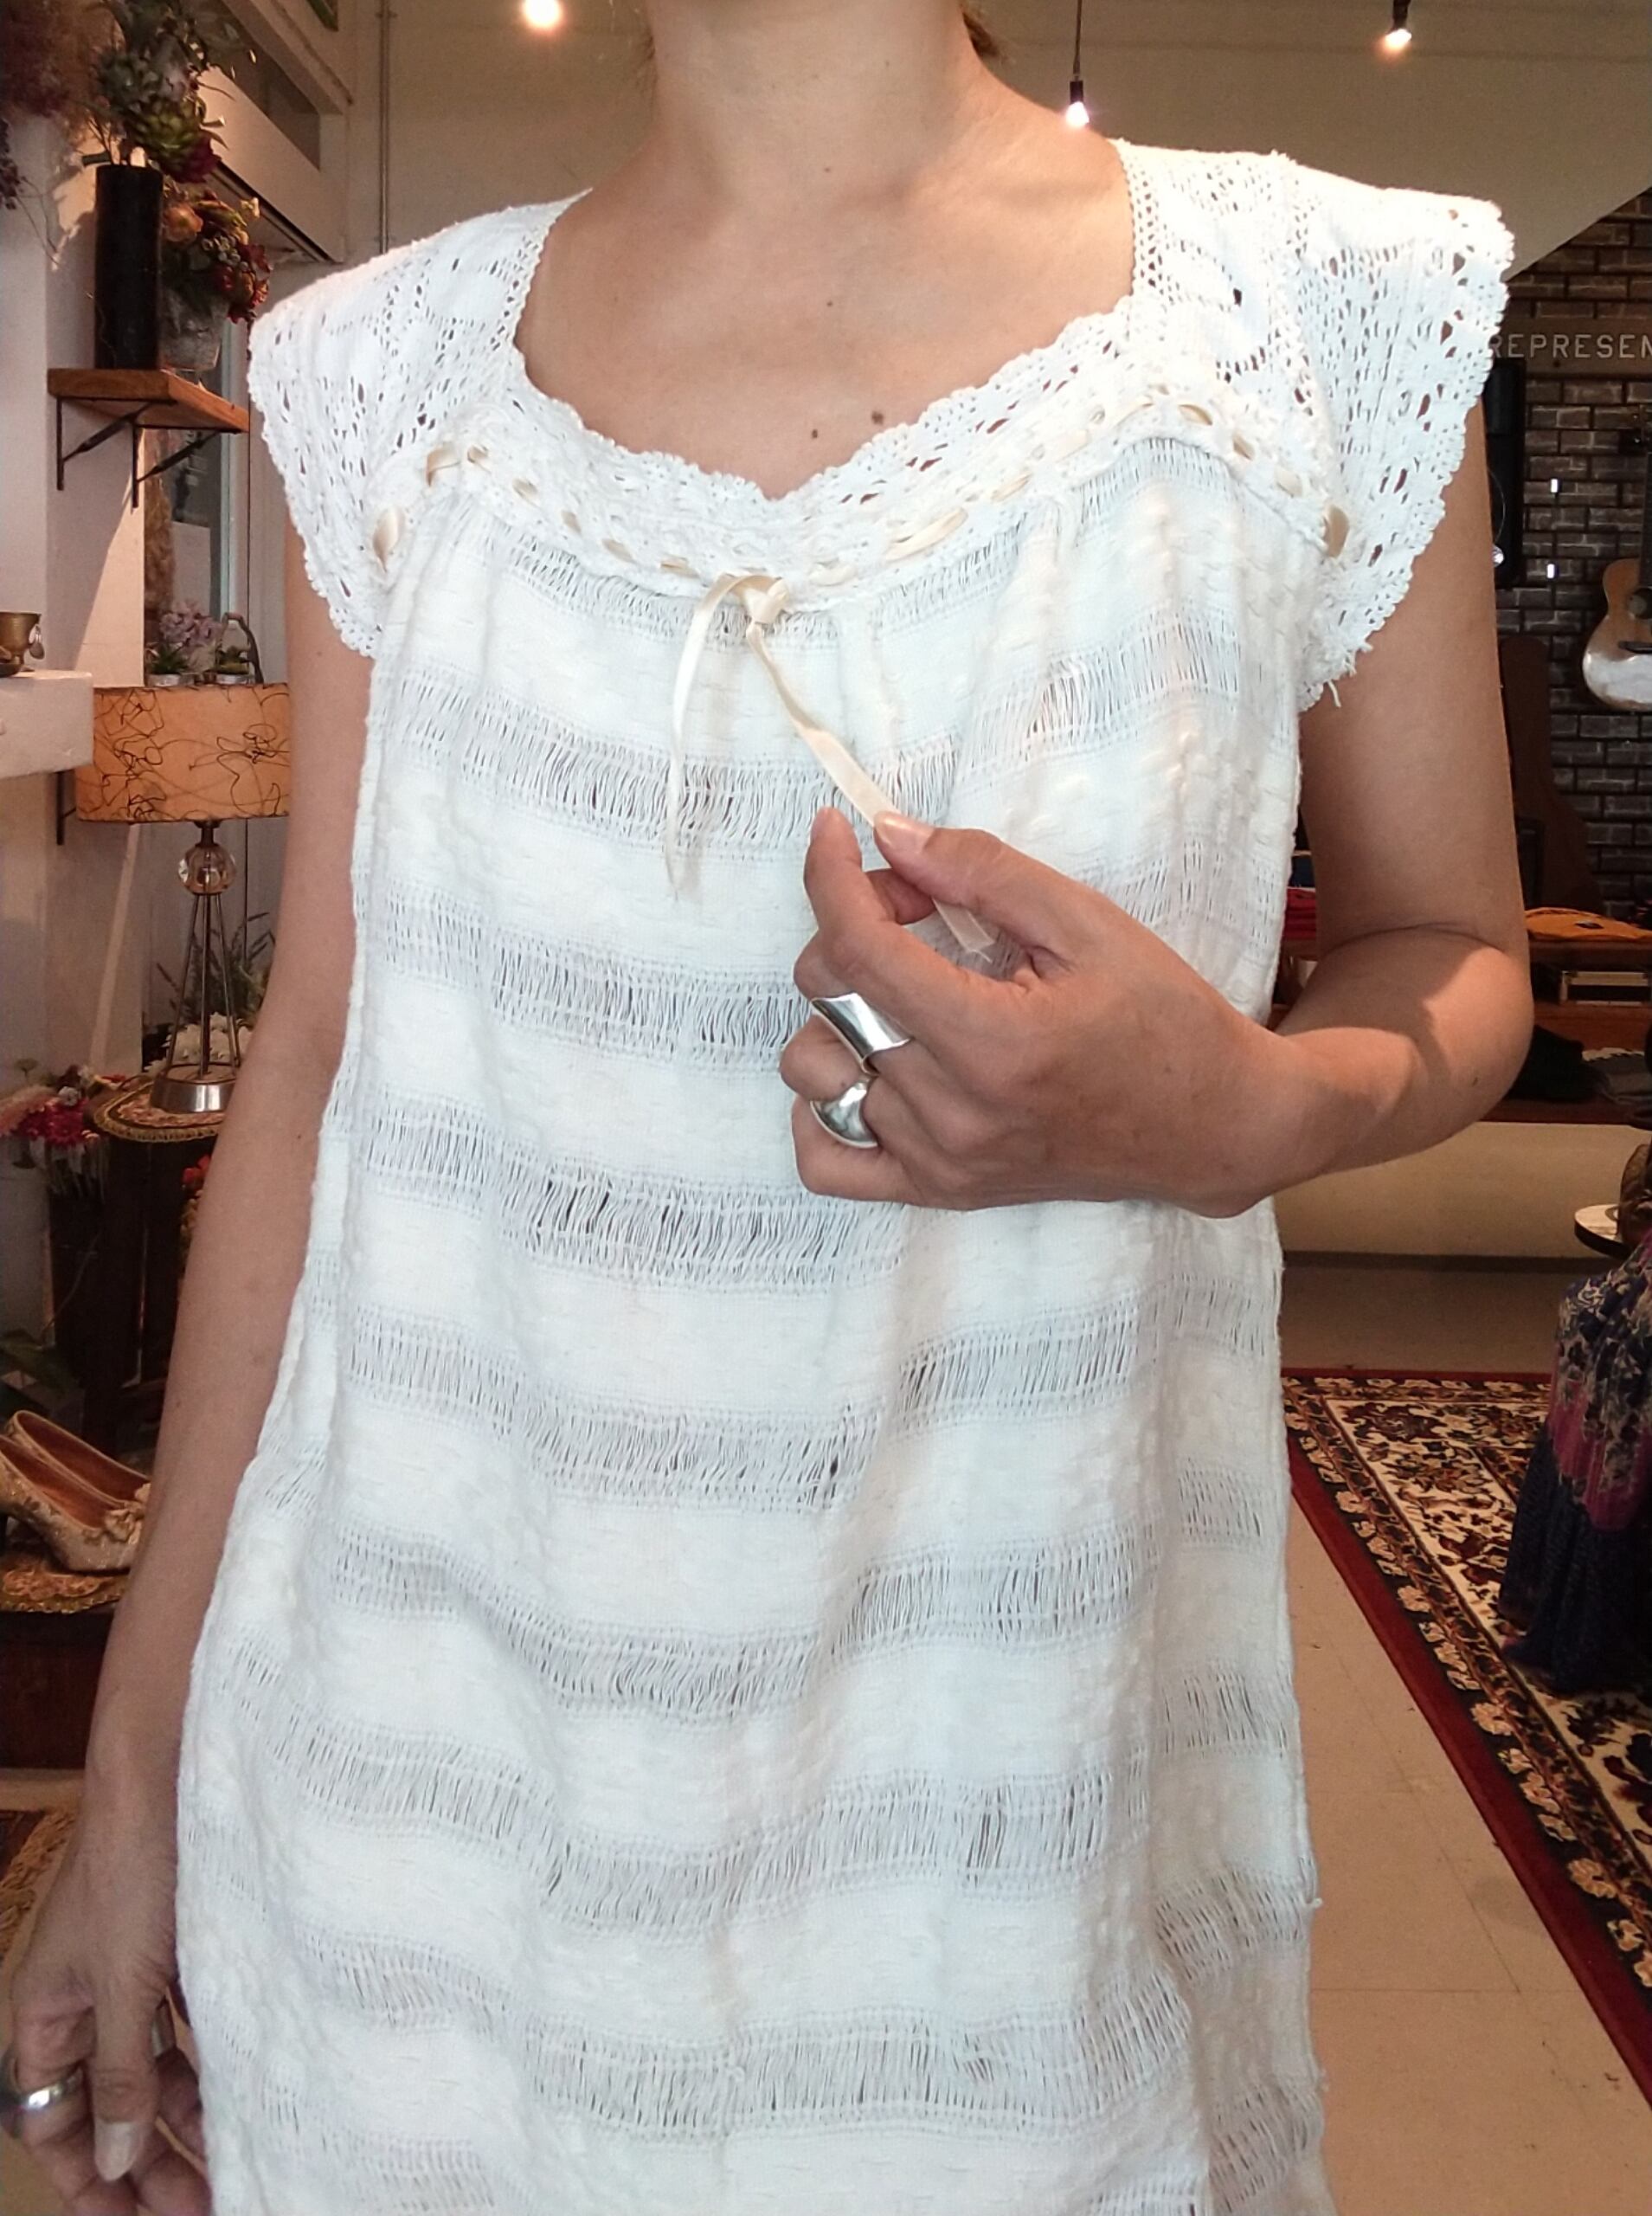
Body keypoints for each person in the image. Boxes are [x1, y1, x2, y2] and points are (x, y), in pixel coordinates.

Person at [2, 2, 1533, 2210]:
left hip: (1002, 1871)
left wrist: (1252, 1110)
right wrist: (133, 1776)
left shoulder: (1313, 319)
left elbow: (1451, 947)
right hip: (410, 1856)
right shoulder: (380, 375)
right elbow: (318, 1075)